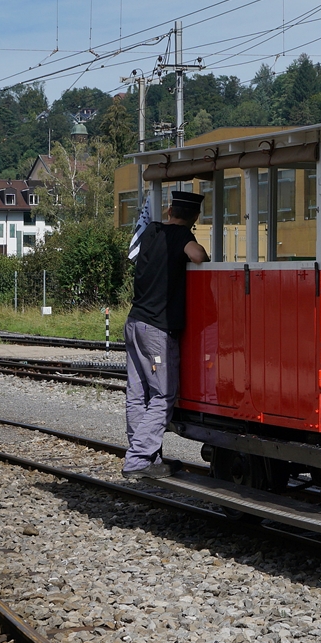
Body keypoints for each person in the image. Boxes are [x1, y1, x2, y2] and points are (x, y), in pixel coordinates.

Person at [122, 190, 208, 479]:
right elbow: (198, 257)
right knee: (163, 395)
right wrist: (191, 239)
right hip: (157, 329)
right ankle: (137, 460)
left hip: (134, 322)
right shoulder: (180, 237)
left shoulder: (149, 232)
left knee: (137, 394)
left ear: (170, 209)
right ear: (194, 217)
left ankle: (148, 456)